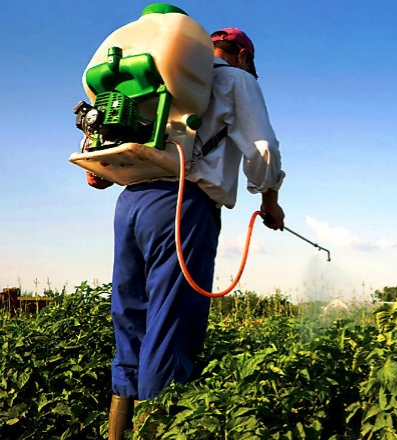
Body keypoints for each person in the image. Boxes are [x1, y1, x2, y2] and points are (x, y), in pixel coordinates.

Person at [87, 27, 286, 438]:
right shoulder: (235, 78)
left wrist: (102, 171)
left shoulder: (158, 71)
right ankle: (157, 430)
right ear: (244, 57)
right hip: (182, 204)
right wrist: (269, 199)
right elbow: (261, 148)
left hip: (130, 204)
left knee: (130, 318)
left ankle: (118, 431)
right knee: (171, 325)